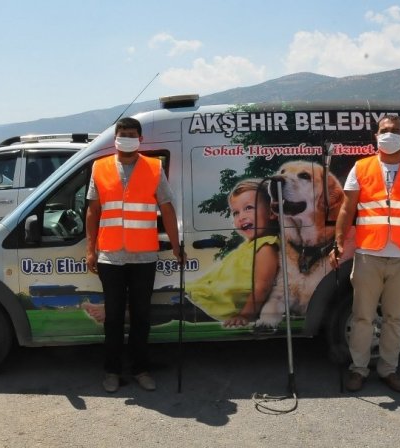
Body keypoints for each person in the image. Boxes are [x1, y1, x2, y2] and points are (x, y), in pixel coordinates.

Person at [329, 114, 400, 393]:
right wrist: (338, 242)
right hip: (368, 256)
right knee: (362, 316)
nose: (389, 135)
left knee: (394, 319)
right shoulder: (360, 168)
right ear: (376, 136)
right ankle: (358, 370)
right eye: (384, 131)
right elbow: (346, 209)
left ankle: (388, 370)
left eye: (395, 131)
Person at [85, 117, 182, 394]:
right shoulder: (100, 167)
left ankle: (141, 369)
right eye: (122, 133)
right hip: (110, 258)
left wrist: (176, 246)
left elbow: (167, 207)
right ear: (115, 137)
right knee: (113, 317)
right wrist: (90, 250)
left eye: (131, 134)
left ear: (140, 139)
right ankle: (112, 371)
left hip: (144, 257)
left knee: (141, 316)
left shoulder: (153, 167)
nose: (126, 137)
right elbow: (93, 211)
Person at [186, 178, 280, 328]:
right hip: (209, 295)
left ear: (271, 213)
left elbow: (262, 287)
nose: (241, 217)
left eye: (248, 208)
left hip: (220, 304)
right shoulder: (249, 246)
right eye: (236, 212)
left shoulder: (265, 248)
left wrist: (245, 315)